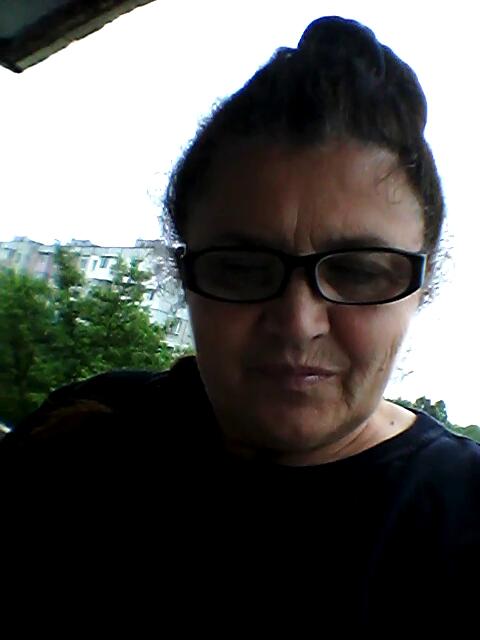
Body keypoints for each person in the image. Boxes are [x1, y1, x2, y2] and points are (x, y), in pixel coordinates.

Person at [1, 15, 479, 632]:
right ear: (184, 273)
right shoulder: (77, 445)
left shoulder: (464, 521)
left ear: (423, 286)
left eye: (359, 272)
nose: (297, 323)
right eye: (242, 268)